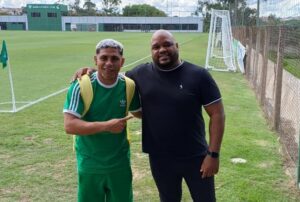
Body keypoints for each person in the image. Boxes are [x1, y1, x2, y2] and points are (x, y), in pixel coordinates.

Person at [74, 29, 225, 202]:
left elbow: (217, 114)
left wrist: (213, 155)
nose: (161, 49)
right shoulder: (140, 74)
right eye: (156, 47)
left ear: (176, 46)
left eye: (167, 44)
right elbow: (113, 76)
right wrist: (92, 70)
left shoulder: (198, 75)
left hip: (196, 157)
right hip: (160, 158)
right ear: (151, 51)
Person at [63, 39, 141, 202]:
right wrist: (107, 126)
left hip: (120, 163)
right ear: (95, 60)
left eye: (114, 59)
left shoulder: (128, 86)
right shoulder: (81, 86)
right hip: (90, 163)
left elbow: (139, 112)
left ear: (122, 61)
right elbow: (69, 125)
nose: (109, 63)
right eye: (103, 58)